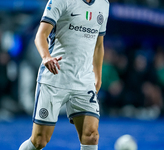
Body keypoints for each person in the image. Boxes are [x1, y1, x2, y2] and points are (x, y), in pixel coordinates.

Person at [19, 0, 109, 149]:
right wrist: (46, 56)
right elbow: (40, 35)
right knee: (39, 140)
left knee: (91, 135)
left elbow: (99, 46)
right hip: (55, 78)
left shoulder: (103, 4)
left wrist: (98, 78)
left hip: (84, 81)